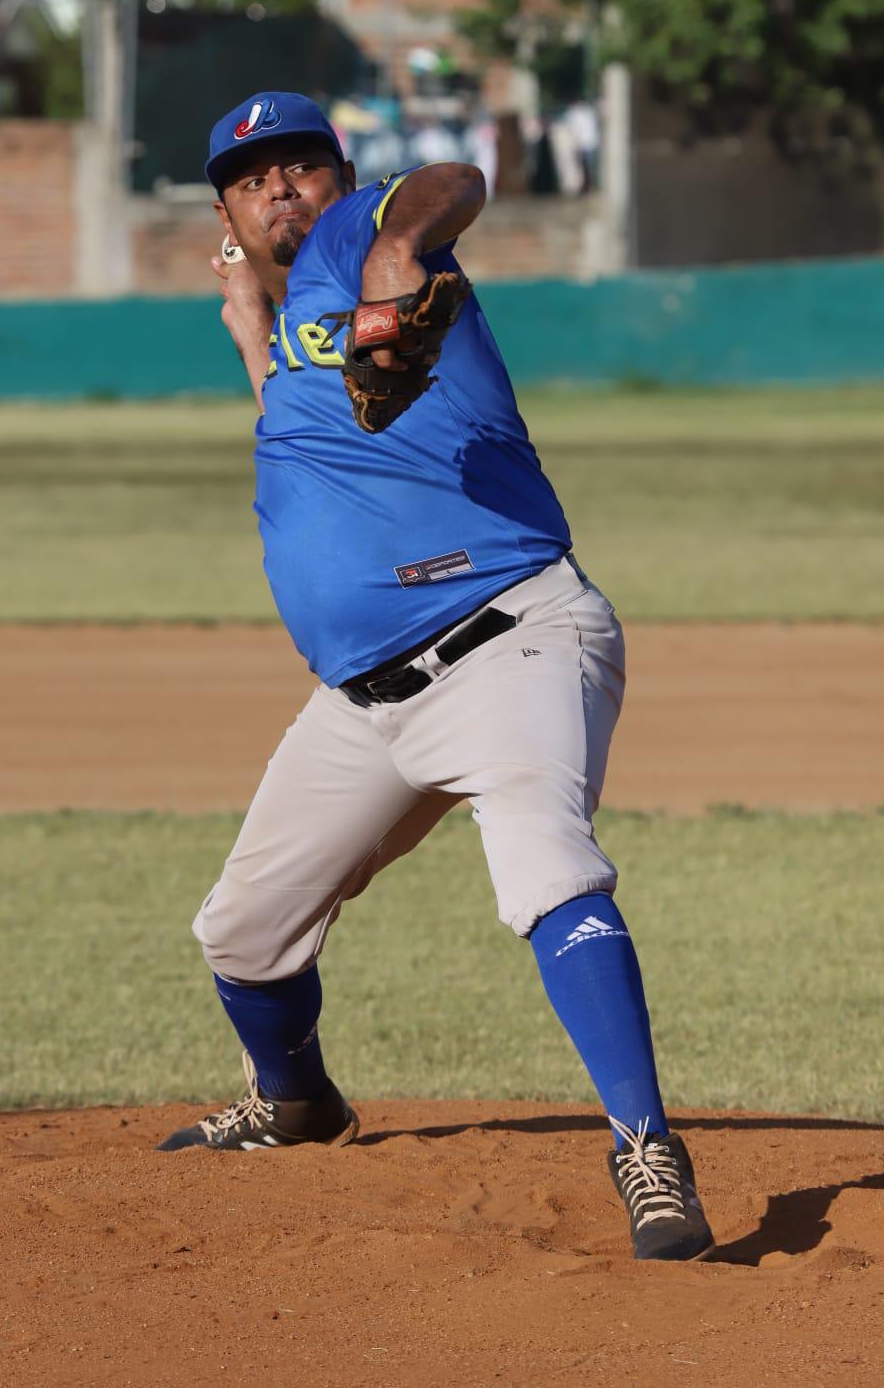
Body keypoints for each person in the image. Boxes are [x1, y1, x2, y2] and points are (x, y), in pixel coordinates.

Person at [157, 91, 715, 1263]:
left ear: (339, 177)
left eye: (300, 165)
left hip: (506, 635)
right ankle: (296, 1100)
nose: (279, 187)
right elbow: (316, 438)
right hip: (362, 702)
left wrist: (399, 247)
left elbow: (451, 178)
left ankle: (644, 1145)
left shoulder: (372, 238)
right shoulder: (288, 339)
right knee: (241, 934)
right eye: (252, 179)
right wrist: (254, 341)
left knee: (545, 867)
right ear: (226, 214)